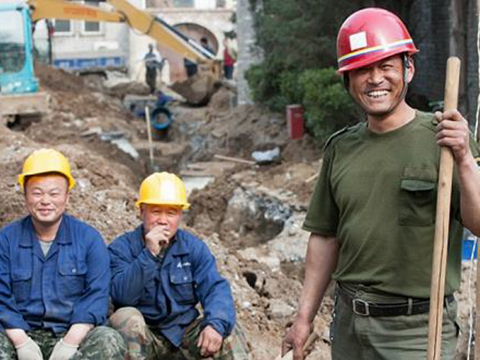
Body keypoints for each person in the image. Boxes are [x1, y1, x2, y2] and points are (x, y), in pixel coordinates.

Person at [281, 7, 480, 360]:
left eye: (386, 66)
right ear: (348, 80)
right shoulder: (340, 148)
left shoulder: (445, 140)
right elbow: (326, 237)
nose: (375, 79)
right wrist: (303, 318)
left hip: (417, 330)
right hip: (349, 326)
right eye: (361, 70)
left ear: (409, 69)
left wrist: (464, 159)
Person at [108, 172, 250, 359]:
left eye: (171, 213)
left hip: (182, 335)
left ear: (180, 215)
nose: (163, 220)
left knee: (226, 331)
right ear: (141, 211)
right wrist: (149, 254)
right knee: (126, 317)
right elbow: (122, 295)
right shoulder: (121, 248)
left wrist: (215, 325)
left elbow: (215, 288)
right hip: (145, 338)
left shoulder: (193, 248)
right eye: (156, 211)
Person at [0, 148, 126, 359]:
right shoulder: (6, 240)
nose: (45, 200)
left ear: (67, 196)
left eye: (54, 193)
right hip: (20, 333)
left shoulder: (89, 239)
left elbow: (97, 295)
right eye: (37, 192)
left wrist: (69, 343)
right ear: (25, 195)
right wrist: (22, 343)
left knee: (109, 340)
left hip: (71, 334)